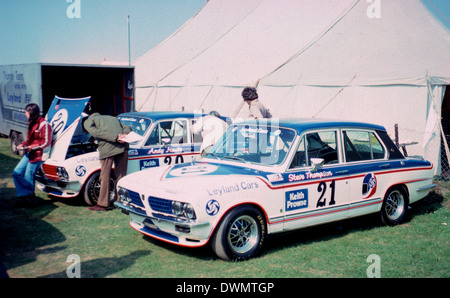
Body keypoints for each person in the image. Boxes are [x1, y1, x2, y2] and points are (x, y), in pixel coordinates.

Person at [82, 112, 132, 211]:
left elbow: (97, 132)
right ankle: (120, 202)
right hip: (123, 147)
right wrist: (124, 135)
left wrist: (116, 137)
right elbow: (127, 127)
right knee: (121, 175)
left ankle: (102, 204)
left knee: (105, 176)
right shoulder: (113, 118)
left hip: (108, 149)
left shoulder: (88, 121)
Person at [12, 103, 52, 207]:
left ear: (31, 112)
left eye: (26, 112)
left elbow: (46, 142)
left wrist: (31, 147)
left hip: (40, 155)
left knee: (28, 175)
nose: (25, 114)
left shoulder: (44, 124)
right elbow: (30, 140)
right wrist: (23, 144)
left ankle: (27, 199)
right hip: (31, 152)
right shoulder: (31, 122)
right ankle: (26, 195)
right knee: (16, 173)